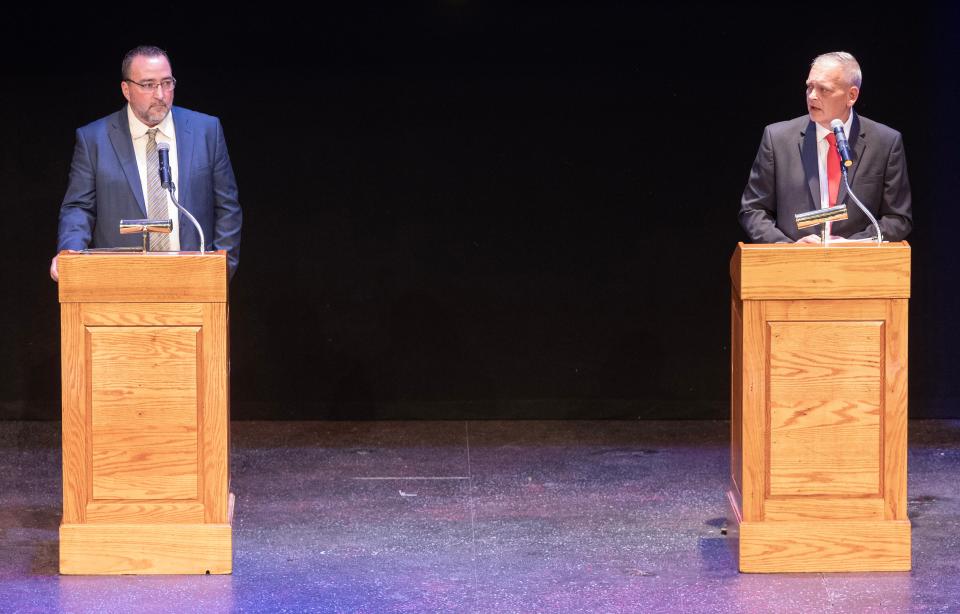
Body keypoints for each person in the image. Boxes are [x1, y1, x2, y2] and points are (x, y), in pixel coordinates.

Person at [51, 45, 242, 279]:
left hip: (194, 282)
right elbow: (79, 207)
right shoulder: (94, 139)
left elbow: (227, 207)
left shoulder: (206, 131)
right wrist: (70, 253)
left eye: (167, 83)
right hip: (120, 283)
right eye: (148, 85)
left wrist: (221, 269)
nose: (160, 94)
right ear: (126, 89)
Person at [739, 51, 912, 244]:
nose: (812, 96)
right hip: (793, 267)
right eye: (809, 87)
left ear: (852, 96)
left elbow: (898, 218)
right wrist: (788, 248)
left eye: (824, 90)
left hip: (857, 267)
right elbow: (753, 210)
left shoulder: (886, 143)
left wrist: (852, 246)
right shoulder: (777, 139)